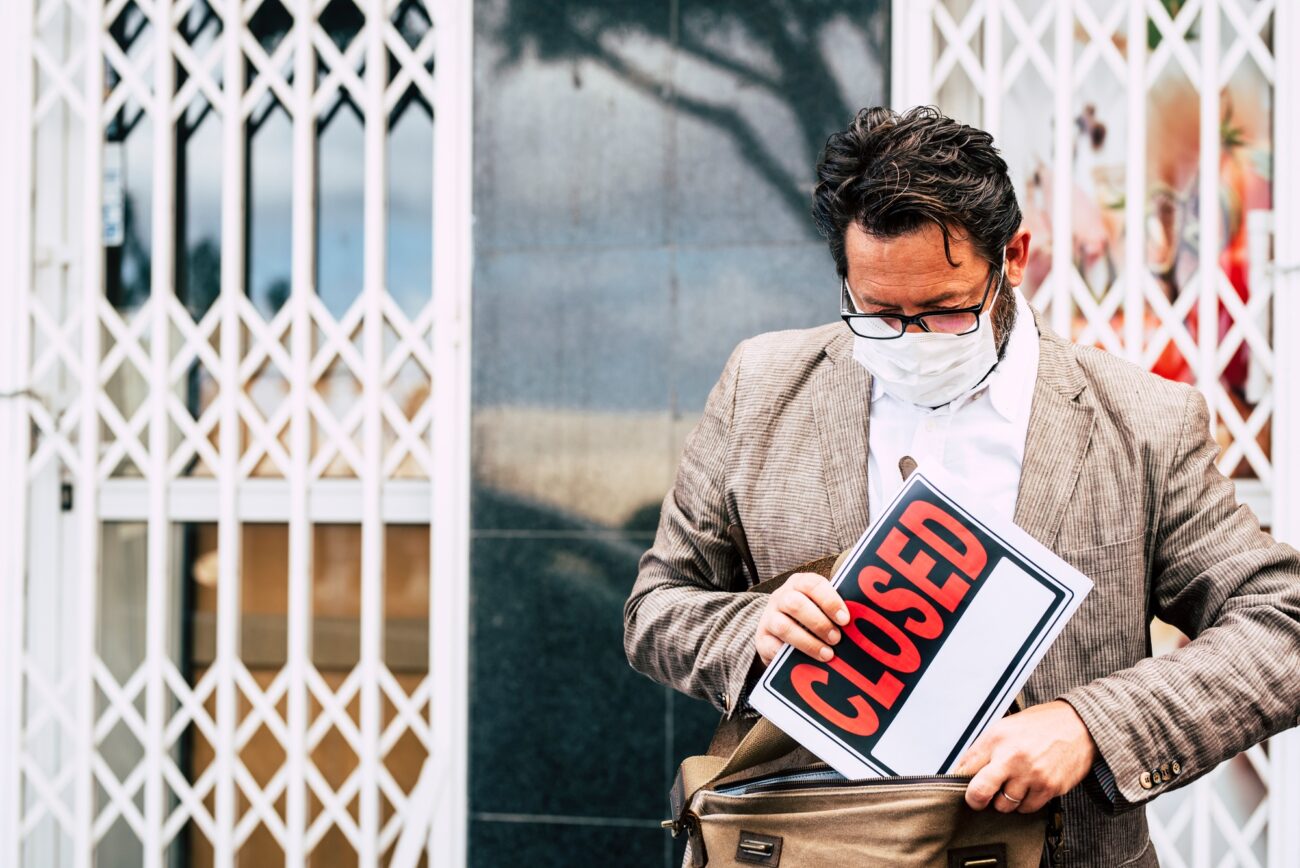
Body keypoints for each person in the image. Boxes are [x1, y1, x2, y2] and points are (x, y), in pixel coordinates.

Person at [622, 105, 1300, 866]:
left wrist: (1091, 725)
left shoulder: (1142, 421)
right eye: (877, 315)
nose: (910, 341)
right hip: (816, 846)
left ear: (1014, 256)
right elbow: (657, 607)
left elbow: (1282, 627)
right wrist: (755, 631)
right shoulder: (761, 387)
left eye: (944, 313)